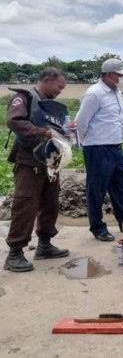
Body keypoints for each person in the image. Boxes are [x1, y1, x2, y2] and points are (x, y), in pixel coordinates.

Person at [4, 68, 70, 272]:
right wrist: (43, 133)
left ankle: (45, 245)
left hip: (50, 161)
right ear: (47, 80)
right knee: (25, 205)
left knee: (51, 203)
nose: (60, 91)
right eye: (59, 87)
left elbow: (59, 128)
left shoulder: (51, 106)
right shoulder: (24, 97)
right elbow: (14, 121)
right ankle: (15, 253)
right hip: (28, 161)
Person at [75, 58, 123, 242]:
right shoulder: (95, 94)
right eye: (120, 74)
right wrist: (87, 144)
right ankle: (98, 227)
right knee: (97, 189)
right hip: (98, 148)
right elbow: (81, 122)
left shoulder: (116, 92)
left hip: (116, 147)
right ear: (109, 75)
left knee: (121, 188)